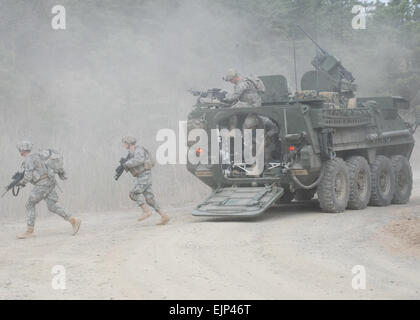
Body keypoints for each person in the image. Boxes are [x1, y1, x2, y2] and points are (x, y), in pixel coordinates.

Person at [15, 141, 81, 239]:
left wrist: (20, 184)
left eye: (20, 150)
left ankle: (29, 231)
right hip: (50, 182)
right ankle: (74, 221)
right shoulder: (38, 155)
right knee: (52, 206)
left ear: (22, 150)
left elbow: (28, 176)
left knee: (30, 204)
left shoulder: (29, 159)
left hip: (42, 185)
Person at [121, 136, 170, 225]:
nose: (124, 145)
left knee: (133, 193)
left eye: (125, 143)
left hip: (144, 175)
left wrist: (126, 164)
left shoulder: (138, 150)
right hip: (142, 176)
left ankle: (146, 211)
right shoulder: (132, 152)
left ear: (129, 143)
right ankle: (164, 216)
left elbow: (139, 160)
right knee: (149, 199)